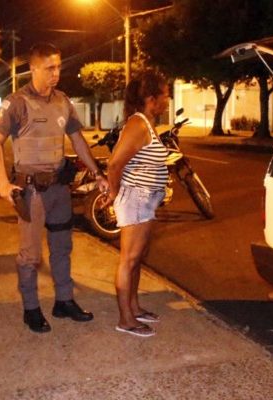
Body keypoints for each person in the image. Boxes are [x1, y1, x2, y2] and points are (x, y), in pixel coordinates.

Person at [0, 43, 109, 333]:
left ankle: (63, 301)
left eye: (58, 67)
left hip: (59, 189)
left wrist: (97, 173)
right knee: (30, 255)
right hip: (31, 192)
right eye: (49, 68)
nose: (56, 73)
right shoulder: (17, 102)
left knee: (62, 247)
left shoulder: (63, 101)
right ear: (33, 69)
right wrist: (3, 181)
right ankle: (31, 308)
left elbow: (77, 140)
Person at [106, 71, 170, 337]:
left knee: (137, 259)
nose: (168, 99)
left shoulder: (146, 122)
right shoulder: (137, 125)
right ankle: (125, 319)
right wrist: (114, 193)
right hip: (135, 199)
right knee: (128, 260)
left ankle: (134, 307)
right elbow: (114, 163)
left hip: (145, 199)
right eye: (165, 95)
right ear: (151, 98)